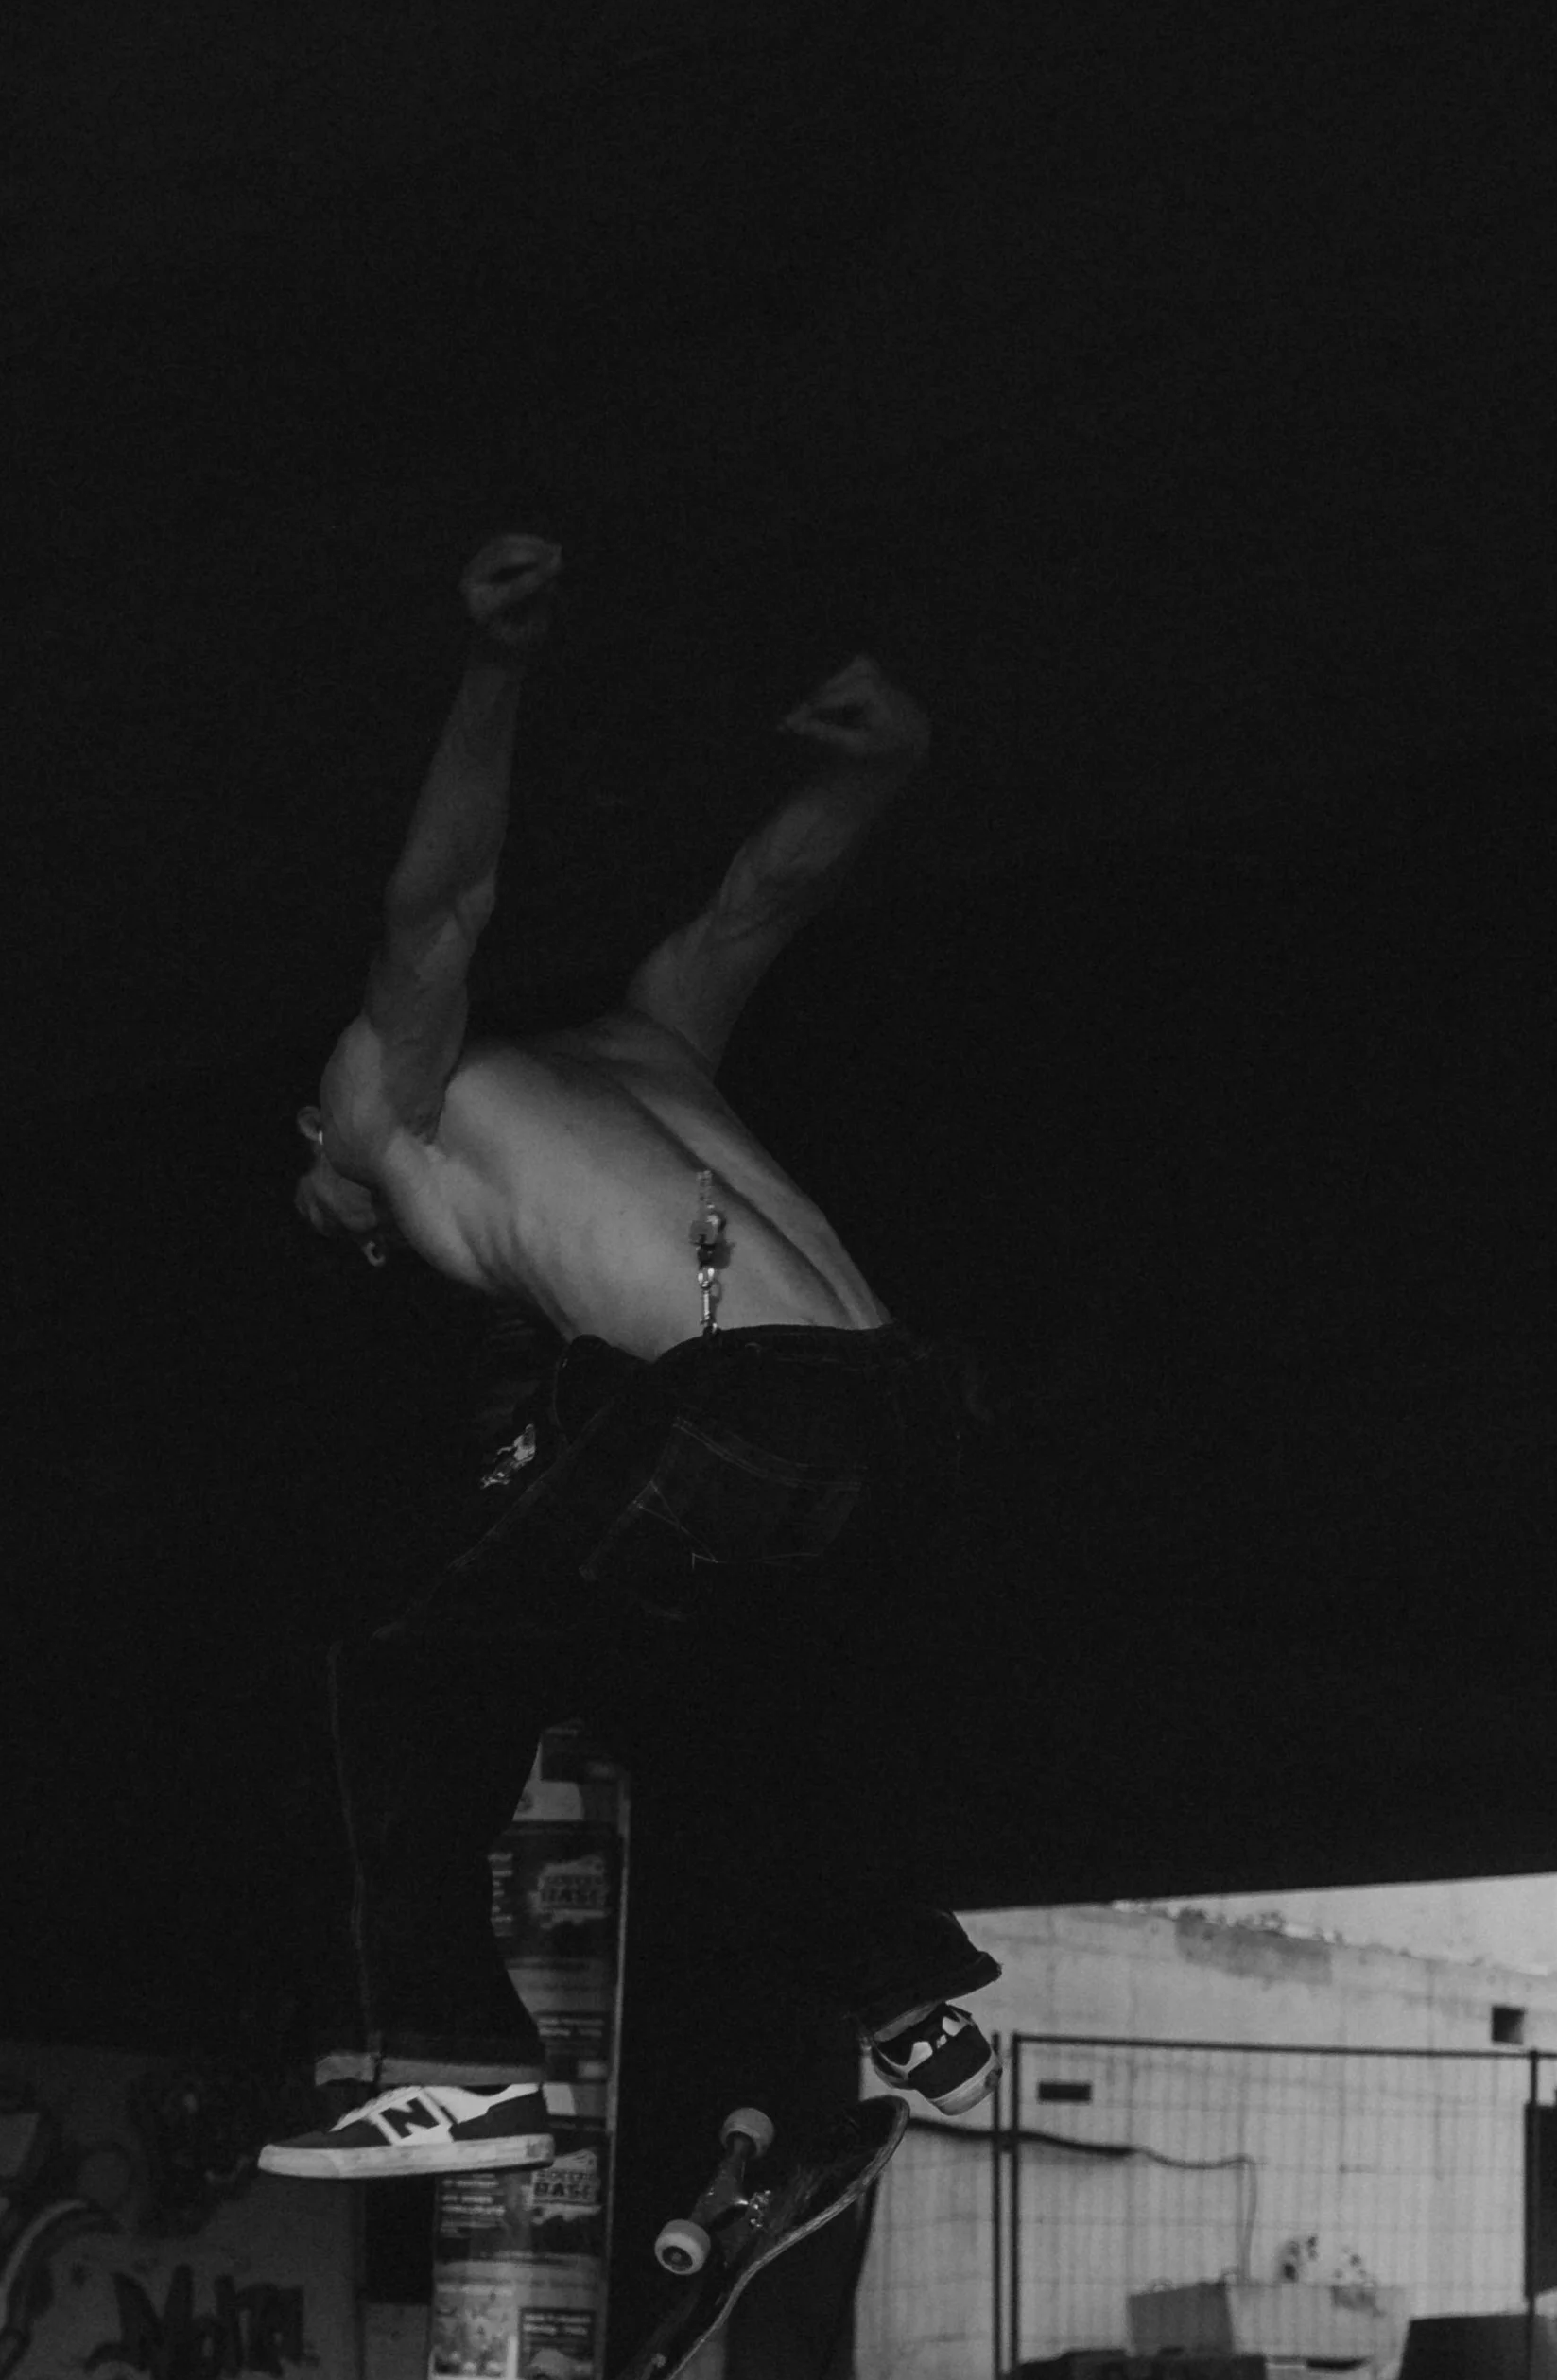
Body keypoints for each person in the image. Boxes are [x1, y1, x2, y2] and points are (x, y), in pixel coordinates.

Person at [259, 534, 1001, 2182]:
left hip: (755, 1410)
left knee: (401, 1672)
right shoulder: (658, 1033)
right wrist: (885, 764)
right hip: (917, 1419)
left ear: (321, 1127)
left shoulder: (386, 1097)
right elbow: (766, 893)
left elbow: (439, 904)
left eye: (332, 1207)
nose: (354, 1226)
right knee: (686, 1681)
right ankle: (904, 1981)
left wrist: (496, 666)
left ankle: (450, 2062)